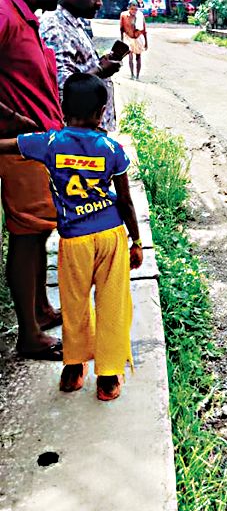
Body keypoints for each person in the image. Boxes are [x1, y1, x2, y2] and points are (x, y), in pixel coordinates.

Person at [0, 73, 144, 400]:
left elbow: (8, 146)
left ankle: (73, 369)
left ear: (64, 108)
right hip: (110, 236)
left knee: (75, 303)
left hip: (74, 240)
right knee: (112, 303)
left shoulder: (49, 143)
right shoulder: (112, 149)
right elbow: (125, 201)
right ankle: (107, 378)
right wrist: (135, 241)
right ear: (100, 112)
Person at [0, 0, 65, 360]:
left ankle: (40, 308)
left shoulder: (27, 20)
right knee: (25, 237)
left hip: (39, 148)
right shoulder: (4, 17)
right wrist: (7, 114)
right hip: (20, 150)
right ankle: (28, 334)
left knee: (38, 232)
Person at [40, 0, 123, 132]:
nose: (99, 3)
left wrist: (100, 64)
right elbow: (64, 87)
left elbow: (77, 68)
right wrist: (100, 70)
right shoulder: (55, 27)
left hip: (90, 131)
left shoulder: (73, 22)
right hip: (78, 135)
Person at [120, 1, 147, 80]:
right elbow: (121, 28)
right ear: (129, 8)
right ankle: (132, 74)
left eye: (135, 9)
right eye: (132, 9)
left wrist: (146, 43)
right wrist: (122, 41)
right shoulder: (124, 15)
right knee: (130, 56)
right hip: (128, 38)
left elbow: (144, 30)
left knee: (138, 57)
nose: (134, 11)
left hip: (138, 38)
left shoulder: (140, 16)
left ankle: (137, 75)